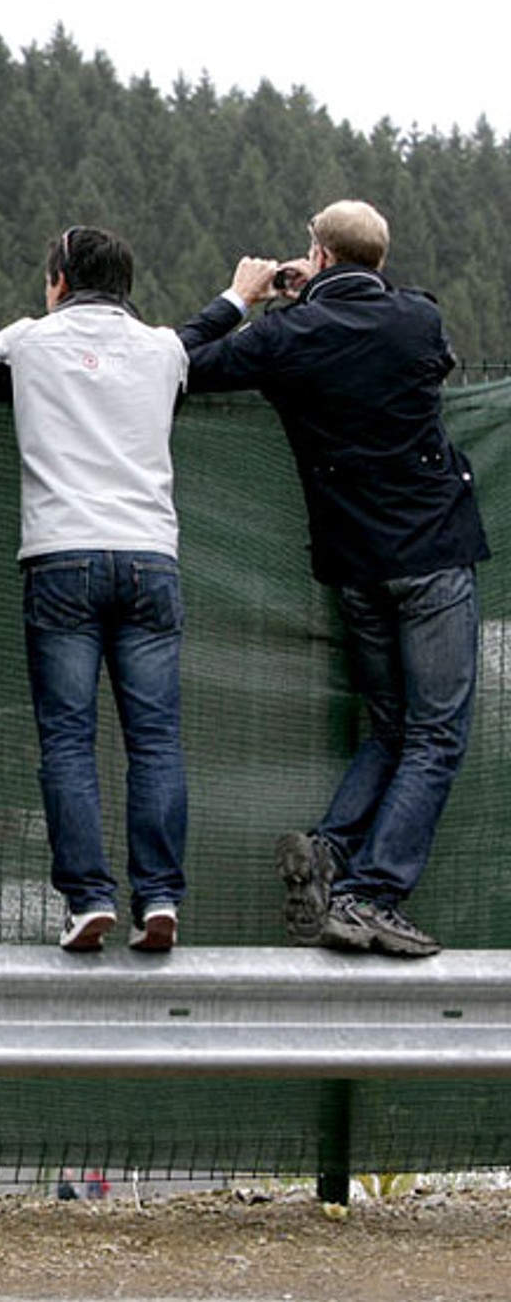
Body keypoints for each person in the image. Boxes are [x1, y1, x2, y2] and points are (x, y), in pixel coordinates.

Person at [179, 200, 488, 957]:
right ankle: (371, 894)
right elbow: (427, 334)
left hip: (354, 562)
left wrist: (249, 299)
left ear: (317, 255)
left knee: (390, 729)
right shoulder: (417, 320)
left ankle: (329, 852)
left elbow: (184, 366)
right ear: (379, 260)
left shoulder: (285, 337)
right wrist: (325, 279)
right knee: (436, 735)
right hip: (433, 552)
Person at [0, 227, 188, 953]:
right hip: (149, 556)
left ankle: (88, 898)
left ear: (59, 281)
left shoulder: (28, 341)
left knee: (68, 740)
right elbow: (198, 348)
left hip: (60, 553)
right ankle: (159, 896)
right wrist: (236, 299)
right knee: (155, 740)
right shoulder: (164, 348)